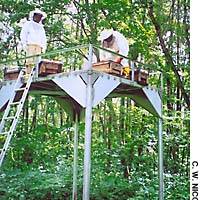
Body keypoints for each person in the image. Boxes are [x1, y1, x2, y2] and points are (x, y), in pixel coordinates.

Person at [20, 8, 47, 74]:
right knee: (30, 61)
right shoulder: (28, 24)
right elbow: (23, 34)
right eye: (37, 16)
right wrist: (24, 44)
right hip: (30, 45)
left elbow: (44, 38)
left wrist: (43, 47)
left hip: (39, 47)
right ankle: (28, 74)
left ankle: (35, 74)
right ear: (34, 16)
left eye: (40, 16)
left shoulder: (41, 28)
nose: (38, 18)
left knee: (37, 62)